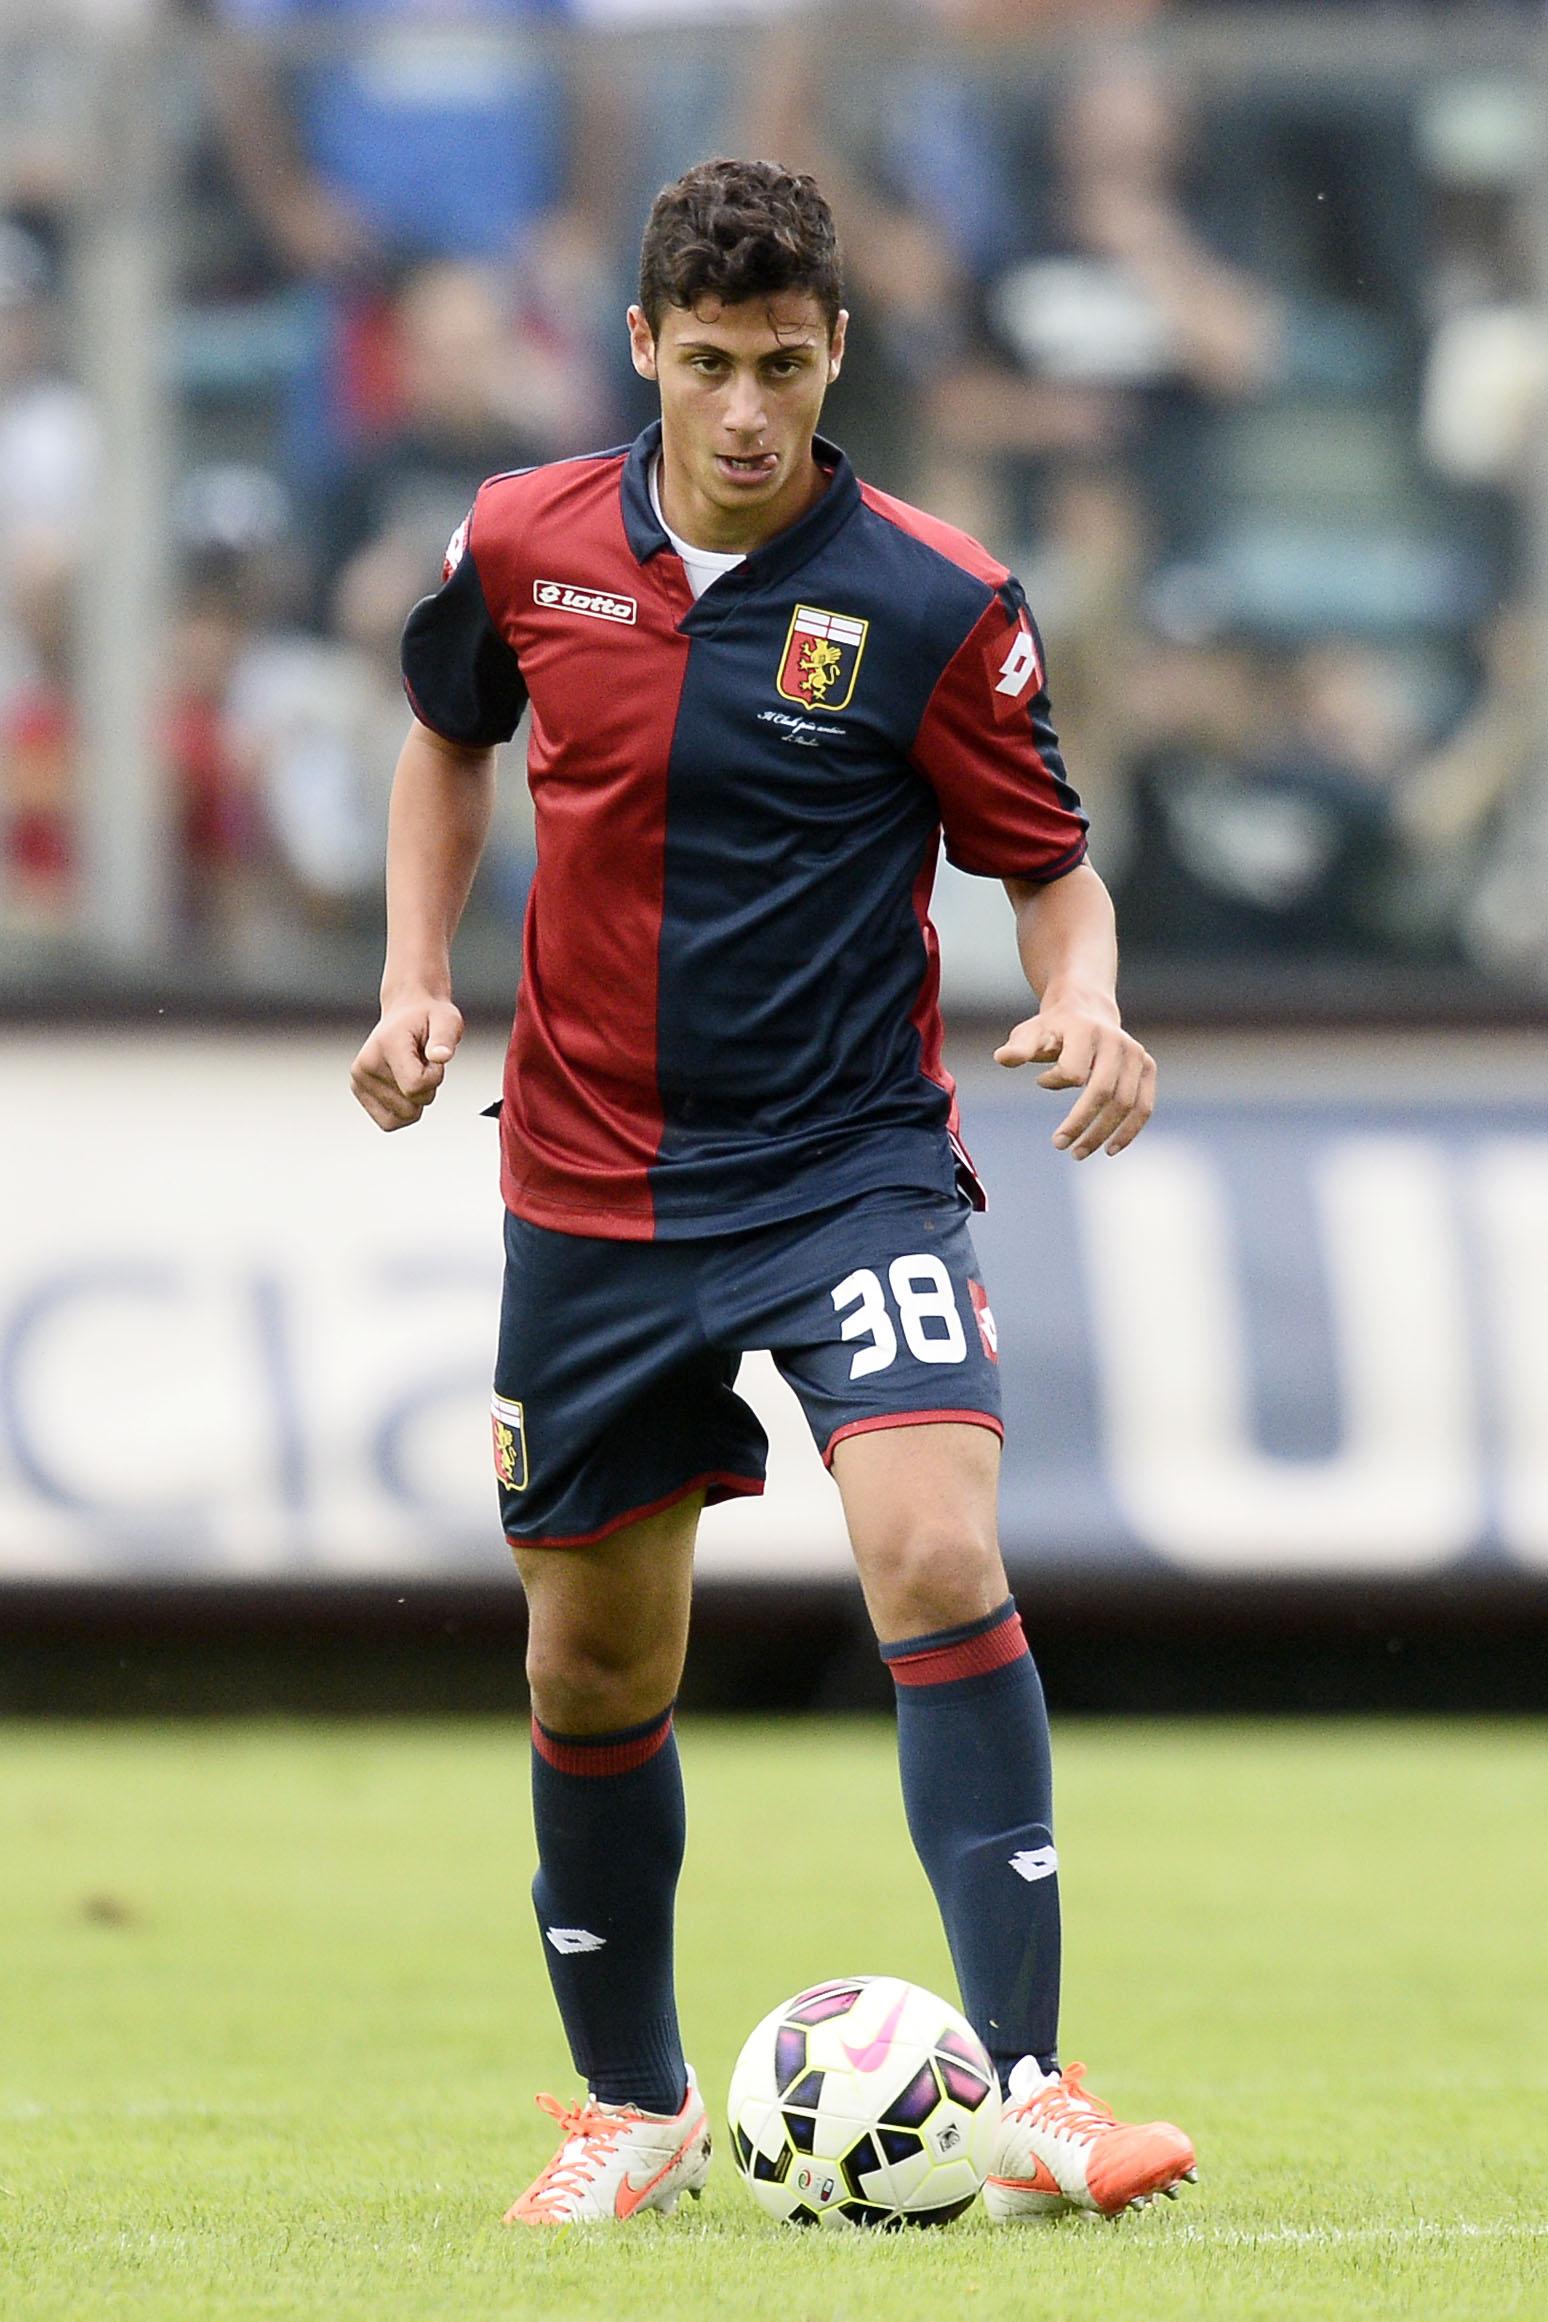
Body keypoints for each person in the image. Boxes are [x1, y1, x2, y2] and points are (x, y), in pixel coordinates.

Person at [349, 157, 1195, 2228]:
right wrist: (411, 978)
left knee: (934, 1548)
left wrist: (1087, 1000)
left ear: (838, 357)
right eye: (712, 363)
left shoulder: (932, 599)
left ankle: (1031, 2092)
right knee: (590, 1668)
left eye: (787, 367)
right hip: (590, 1178)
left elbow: (1050, 867)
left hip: (847, 1171)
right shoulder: (524, 539)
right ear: (643, 345)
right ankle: (631, 2106)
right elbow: (446, 737)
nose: (747, 412)